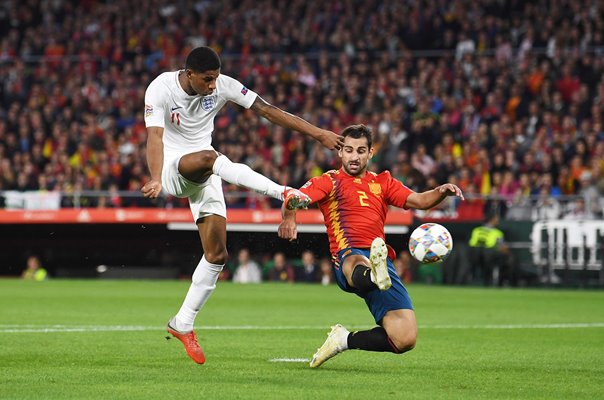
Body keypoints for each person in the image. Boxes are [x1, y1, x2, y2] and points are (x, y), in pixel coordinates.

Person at [142, 46, 343, 364]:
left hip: (207, 171)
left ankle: (182, 323)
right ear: (189, 73)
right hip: (173, 167)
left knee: (217, 255)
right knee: (211, 157)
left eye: (215, 79)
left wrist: (318, 134)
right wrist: (155, 177)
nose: (212, 86)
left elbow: (268, 110)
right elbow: (154, 137)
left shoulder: (223, 85)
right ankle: (283, 193)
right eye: (207, 80)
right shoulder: (160, 88)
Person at [278, 124, 464, 368]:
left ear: (370, 153)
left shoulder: (383, 182)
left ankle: (343, 339)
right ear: (340, 152)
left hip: (381, 261)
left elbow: (419, 200)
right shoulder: (329, 182)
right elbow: (293, 198)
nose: (354, 156)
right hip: (348, 254)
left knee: (405, 338)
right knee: (358, 263)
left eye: (360, 151)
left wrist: (441, 191)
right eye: (349, 150)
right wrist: (289, 217)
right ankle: (373, 274)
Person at [468, 213, 515, 286]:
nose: (498, 221)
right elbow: (502, 247)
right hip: (489, 255)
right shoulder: (497, 233)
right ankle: (502, 282)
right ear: (492, 220)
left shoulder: (476, 230)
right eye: (496, 219)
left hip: (474, 254)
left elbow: (471, 243)